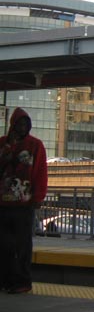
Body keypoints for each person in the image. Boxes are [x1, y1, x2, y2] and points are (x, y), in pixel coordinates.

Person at [0, 108, 48, 294]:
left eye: (25, 124)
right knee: (3, 245)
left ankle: (21, 282)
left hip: (24, 204)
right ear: (13, 124)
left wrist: (38, 196)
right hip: (3, 204)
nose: (22, 128)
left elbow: (41, 172)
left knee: (22, 245)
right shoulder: (3, 143)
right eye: (19, 124)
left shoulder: (35, 145)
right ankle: (5, 280)